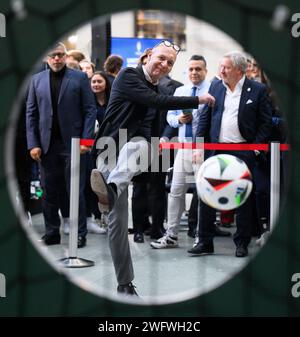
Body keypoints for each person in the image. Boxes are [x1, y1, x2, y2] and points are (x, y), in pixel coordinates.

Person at [90, 41, 215, 296]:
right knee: (118, 223)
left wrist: (155, 147)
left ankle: (111, 190)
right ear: (148, 55)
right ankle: (125, 283)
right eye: (161, 58)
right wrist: (197, 99)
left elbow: (148, 124)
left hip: (130, 154)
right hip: (109, 150)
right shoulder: (129, 75)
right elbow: (155, 101)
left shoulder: (154, 85)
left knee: (143, 145)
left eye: (170, 63)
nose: (164, 65)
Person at [188, 51, 272, 258]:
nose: (221, 71)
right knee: (207, 195)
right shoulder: (215, 87)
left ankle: (241, 243)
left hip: (243, 151)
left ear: (239, 69)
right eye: (221, 67)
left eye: (226, 67)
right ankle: (205, 241)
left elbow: (266, 123)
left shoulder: (258, 90)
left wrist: (255, 147)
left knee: (242, 197)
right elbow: (204, 119)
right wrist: (199, 146)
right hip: (216, 149)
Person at [26, 42, 97, 248]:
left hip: (74, 145)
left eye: (59, 55)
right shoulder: (36, 80)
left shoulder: (80, 78)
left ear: (65, 57)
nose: (56, 59)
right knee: (48, 192)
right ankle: (52, 233)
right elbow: (31, 115)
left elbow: (90, 110)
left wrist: (86, 141)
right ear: (46, 59)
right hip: (46, 147)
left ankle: (79, 233)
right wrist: (33, 144)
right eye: (52, 56)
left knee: (75, 191)